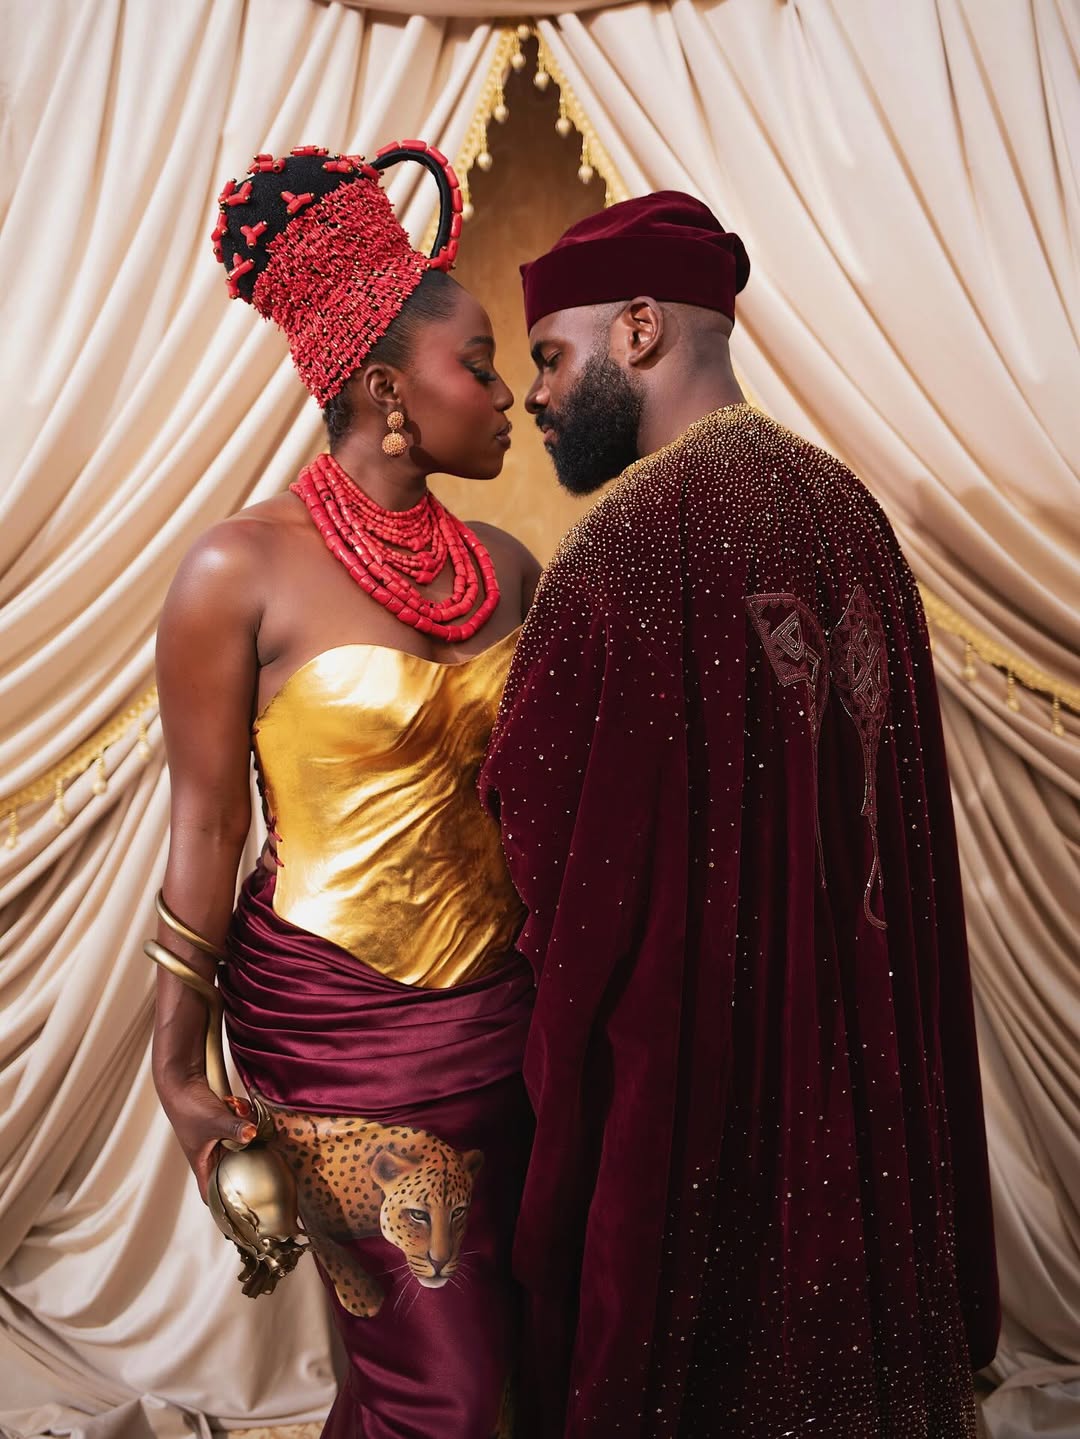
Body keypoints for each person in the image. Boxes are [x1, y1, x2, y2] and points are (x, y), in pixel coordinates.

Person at [479, 193, 999, 1438]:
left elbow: (545, 841)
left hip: (693, 1089)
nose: (541, 392)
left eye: (553, 353)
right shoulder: (851, 516)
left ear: (644, 329)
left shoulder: (621, 550)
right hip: (861, 1074)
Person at [150, 142, 540, 1439]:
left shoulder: (511, 567)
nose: (505, 392)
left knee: (522, 1372)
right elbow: (207, 824)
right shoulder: (236, 569)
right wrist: (176, 1066)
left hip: (515, 1021)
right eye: (476, 362)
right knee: (451, 1396)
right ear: (386, 386)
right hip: (334, 1032)